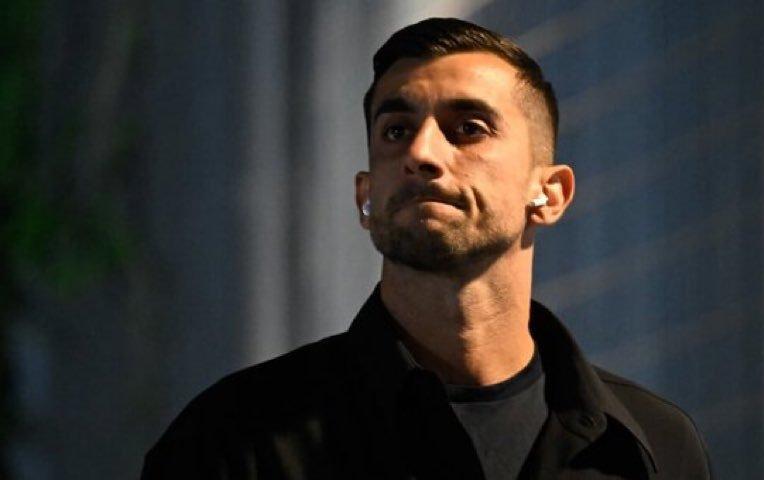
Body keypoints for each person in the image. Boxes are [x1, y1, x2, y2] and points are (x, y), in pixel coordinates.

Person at [142, 17, 711, 480]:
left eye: (469, 128)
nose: (421, 153)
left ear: (550, 193)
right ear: (365, 196)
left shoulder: (654, 446)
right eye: (396, 131)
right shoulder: (232, 439)